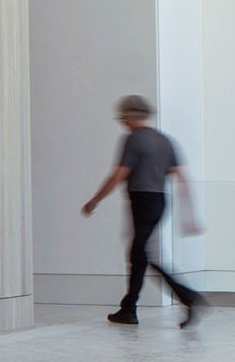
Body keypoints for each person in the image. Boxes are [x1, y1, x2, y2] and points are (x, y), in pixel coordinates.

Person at [81, 95, 205, 327]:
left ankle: (188, 297)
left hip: (142, 201)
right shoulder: (164, 140)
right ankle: (129, 309)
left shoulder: (133, 139)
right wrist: (189, 214)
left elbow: (118, 175)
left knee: (142, 254)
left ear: (130, 116)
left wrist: (95, 200)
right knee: (139, 254)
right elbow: (182, 177)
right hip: (159, 202)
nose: (123, 123)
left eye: (123, 118)